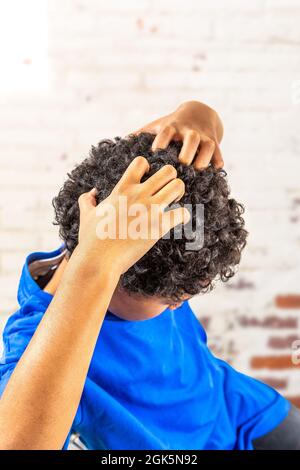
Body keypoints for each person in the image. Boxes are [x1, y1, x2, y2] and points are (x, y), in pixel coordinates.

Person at [0, 101, 299, 450]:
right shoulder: (40, 347)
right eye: (173, 298)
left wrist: (198, 116)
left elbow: (176, 131)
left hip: (243, 409)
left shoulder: (107, 213)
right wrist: (98, 265)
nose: (180, 304)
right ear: (115, 275)